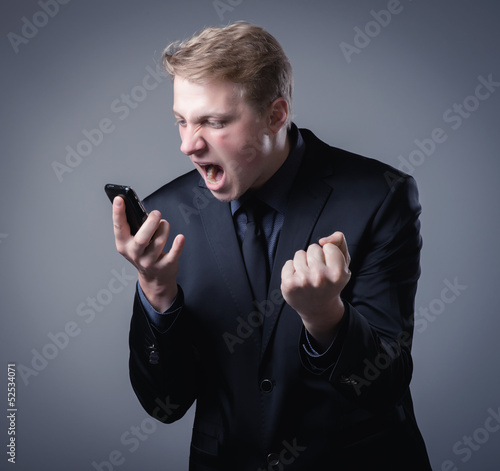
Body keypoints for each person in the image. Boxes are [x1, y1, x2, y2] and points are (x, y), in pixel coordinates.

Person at [112, 21, 432, 470]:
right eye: (181, 121)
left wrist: (326, 318)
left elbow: (385, 387)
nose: (188, 144)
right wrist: (156, 291)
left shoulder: (380, 196)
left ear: (276, 115)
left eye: (213, 122)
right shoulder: (168, 212)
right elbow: (165, 406)